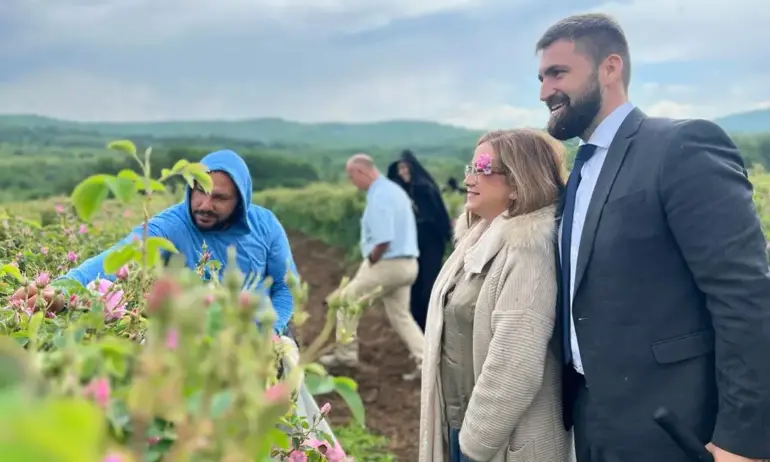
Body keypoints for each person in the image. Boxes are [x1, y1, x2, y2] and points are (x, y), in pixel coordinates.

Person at [536, 13, 770, 462]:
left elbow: (745, 297)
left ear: (610, 68)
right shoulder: (579, 174)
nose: (545, 90)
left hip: (677, 429)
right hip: (593, 419)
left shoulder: (681, 147)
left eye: (558, 73)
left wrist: (743, 439)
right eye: (542, 77)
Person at [13, 149, 298, 335]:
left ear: (241, 201)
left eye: (220, 198)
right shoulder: (171, 226)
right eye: (198, 191)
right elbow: (118, 256)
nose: (204, 205)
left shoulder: (266, 226)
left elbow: (286, 288)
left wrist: (272, 334)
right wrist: (58, 289)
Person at [419, 129, 572, 462]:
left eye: (484, 169)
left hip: (495, 440)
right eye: (470, 169)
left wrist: (475, 443)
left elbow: (515, 364)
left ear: (519, 181)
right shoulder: (477, 238)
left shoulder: (529, 250)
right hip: (462, 424)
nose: (470, 180)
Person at [319, 153, 424, 381]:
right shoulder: (394, 190)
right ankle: (426, 362)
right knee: (401, 316)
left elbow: (383, 238)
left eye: (351, 176)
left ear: (361, 171)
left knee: (346, 301)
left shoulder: (380, 195)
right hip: (408, 265)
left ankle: (345, 357)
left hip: (389, 264)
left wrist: (373, 260)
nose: (351, 182)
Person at [386, 149, 452, 331]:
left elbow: (438, 217)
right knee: (414, 289)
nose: (402, 172)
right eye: (400, 169)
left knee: (429, 287)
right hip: (412, 247)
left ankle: (436, 327)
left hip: (431, 245)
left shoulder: (426, 189)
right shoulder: (400, 192)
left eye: (405, 168)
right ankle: (421, 330)